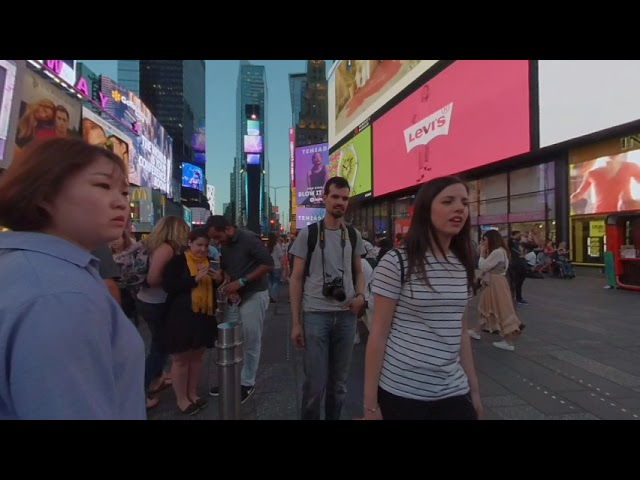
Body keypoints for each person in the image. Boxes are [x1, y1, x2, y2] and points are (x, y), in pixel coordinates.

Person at [0, 137, 145, 419]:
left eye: (125, 193)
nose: (121, 203)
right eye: (103, 186)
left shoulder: (33, 269)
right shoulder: (58, 294)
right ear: (45, 193)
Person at [363, 175, 482, 420]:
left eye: (464, 202)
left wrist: (475, 392)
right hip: (403, 391)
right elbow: (378, 335)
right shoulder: (396, 262)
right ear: (426, 210)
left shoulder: (462, 265)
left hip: (454, 389)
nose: (459, 208)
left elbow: (461, 333)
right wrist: (370, 405)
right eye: (448, 201)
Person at [289, 176, 366, 420]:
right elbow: (296, 279)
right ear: (324, 198)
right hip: (315, 316)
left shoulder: (353, 236)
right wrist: (296, 322)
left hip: (346, 316)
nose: (340, 202)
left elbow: (359, 272)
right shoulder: (309, 234)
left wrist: (361, 295)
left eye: (344, 198)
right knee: (314, 385)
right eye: (335, 197)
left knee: (339, 384)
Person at [205, 216, 274, 403]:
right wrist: (228, 282)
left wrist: (241, 282)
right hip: (236, 297)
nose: (217, 243)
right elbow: (227, 268)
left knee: (251, 339)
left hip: (254, 294)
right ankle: (230, 379)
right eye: (215, 240)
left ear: (228, 229)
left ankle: (247, 382)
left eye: (218, 237)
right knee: (228, 339)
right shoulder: (225, 244)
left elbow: (268, 263)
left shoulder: (249, 239)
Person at [162, 229, 223, 415]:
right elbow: (168, 286)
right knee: (181, 359)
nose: (203, 249)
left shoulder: (209, 263)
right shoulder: (178, 262)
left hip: (203, 316)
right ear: (189, 243)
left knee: (197, 357)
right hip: (181, 316)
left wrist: (218, 280)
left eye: (206, 245)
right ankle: (181, 398)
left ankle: (193, 393)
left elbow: (214, 289)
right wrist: (193, 279)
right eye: (199, 245)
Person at [469, 229, 524, 351]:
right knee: (486, 306)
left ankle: (508, 341)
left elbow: (483, 266)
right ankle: (476, 331)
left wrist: (482, 255)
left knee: (501, 309)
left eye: (485, 239)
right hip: (497, 282)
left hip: (495, 283)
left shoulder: (497, 252)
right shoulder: (501, 251)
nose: (483, 242)